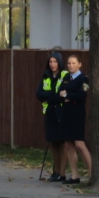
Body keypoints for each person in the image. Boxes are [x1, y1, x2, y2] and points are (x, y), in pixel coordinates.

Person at [59, 54, 92, 184]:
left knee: (79, 144)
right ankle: (74, 175)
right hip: (66, 111)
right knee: (68, 144)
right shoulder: (66, 78)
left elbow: (82, 96)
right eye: (69, 63)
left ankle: (92, 173)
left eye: (73, 63)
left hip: (77, 112)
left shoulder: (84, 79)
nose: (70, 66)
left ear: (79, 64)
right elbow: (60, 93)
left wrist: (68, 95)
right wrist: (67, 96)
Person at [36, 50, 67, 182]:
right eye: (51, 62)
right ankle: (56, 171)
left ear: (59, 62)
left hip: (62, 113)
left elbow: (64, 95)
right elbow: (39, 94)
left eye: (55, 61)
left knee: (63, 142)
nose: (53, 64)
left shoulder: (65, 75)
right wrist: (53, 97)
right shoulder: (46, 76)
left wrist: (50, 97)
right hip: (50, 113)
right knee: (53, 142)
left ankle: (62, 172)